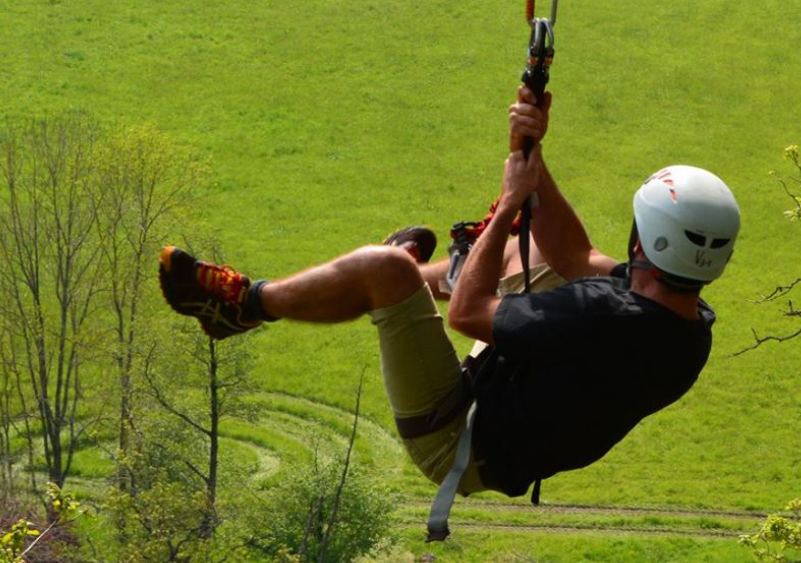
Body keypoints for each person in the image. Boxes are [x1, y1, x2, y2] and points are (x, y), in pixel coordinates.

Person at [157, 88, 737, 511]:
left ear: (643, 239)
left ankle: (243, 306)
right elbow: (575, 257)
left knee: (381, 270)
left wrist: (511, 205)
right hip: (517, 409)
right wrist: (533, 157)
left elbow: (467, 316)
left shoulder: (599, 321)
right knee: (527, 254)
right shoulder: (685, 320)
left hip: (456, 436)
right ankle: (416, 276)